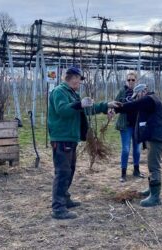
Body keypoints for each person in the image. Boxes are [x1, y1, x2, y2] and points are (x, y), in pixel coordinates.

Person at [48, 66, 120, 219]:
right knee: (62, 172)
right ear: (72, 77)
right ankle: (58, 208)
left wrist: (106, 105)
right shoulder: (59, 92)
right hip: (61, 138)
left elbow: (86, 109)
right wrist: (80, 104)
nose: (80, 82)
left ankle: (65, 199)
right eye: (79, 79)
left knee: (70, 170)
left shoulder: (72, 94)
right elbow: (62, 110)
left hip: (70, 138)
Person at [115, 84, 162, 207]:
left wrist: (117, 107)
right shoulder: (149, 100)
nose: (136, 98)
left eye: (137, 95)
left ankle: (155, 197)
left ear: (144, 91)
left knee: (154, 166)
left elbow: (134, 105)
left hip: (157, 138)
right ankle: (151, 189)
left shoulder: (150, 99)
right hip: (154, 137)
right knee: (152, 165)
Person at [115, 72, 144, 182]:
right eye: (129, 80)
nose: (131, 82)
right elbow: (116, 104)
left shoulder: (141, 92)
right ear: (126, 81)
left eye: (133, 80)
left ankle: (136, 170)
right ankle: (123, 174)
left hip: (137, 125)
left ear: (136, 81)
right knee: (126, 149)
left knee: (137, 150)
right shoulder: (123, 91)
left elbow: (145, 105)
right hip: (125, 125)